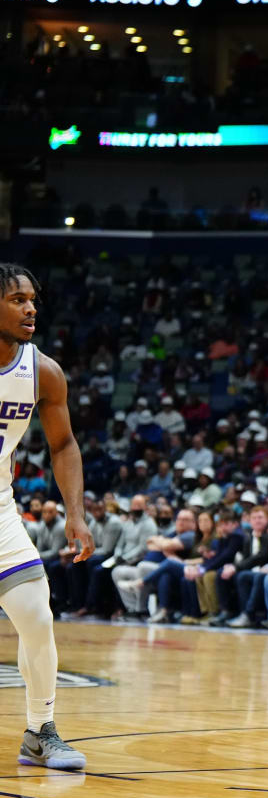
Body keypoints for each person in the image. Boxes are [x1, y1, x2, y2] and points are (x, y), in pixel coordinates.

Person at [0, 265, 93, 768]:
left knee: (37, 616)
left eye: (32, 299)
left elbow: (63, 444)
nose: (31, 308)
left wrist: (75, 515)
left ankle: (40, 731)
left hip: (0, 514)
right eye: (17, 299)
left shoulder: (42, 371)